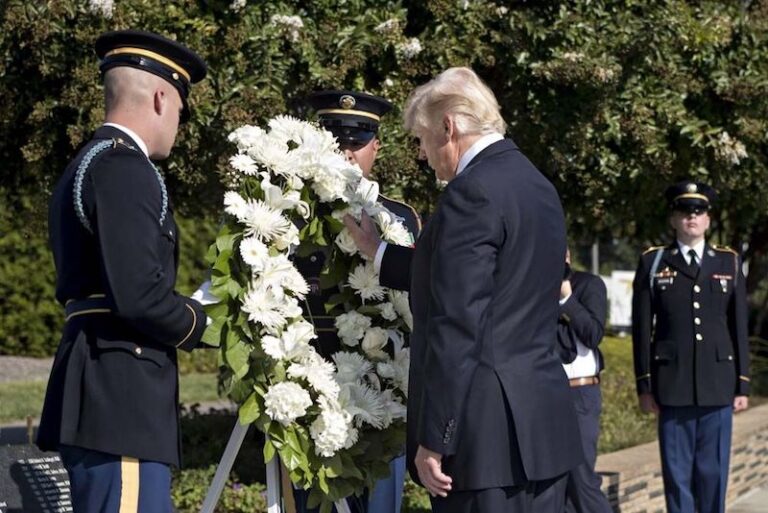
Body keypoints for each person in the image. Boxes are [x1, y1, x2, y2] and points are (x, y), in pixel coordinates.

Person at [346, 66, 584, 512]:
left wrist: (435, 439)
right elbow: (490, 278)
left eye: (421, 139)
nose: (423, 154)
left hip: (484, 440)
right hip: (543, 431)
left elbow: (458, 324)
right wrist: (378, 253)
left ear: (449, 126)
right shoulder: (538, 186)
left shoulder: (469, 193)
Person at [36, 30, 208, 512]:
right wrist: (206, 323)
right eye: (179, 108)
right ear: (159, 97)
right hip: (122, 398)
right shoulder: (124, 168)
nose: (178, 122)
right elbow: (139, 295)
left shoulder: (89, 163)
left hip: (104, 386)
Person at [293, 90, 421, 513]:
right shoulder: (297, 210)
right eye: (338, 141)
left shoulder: (401, 219)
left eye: (358, 141)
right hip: (313, 387)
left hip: (381, 391)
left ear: (376, 146)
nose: (348, 153)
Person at [632, 180, 750, 513]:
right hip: (672, 387)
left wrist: (743, 382)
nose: (692, 218)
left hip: (718, 385)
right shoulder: (654, 262)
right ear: (673, 219)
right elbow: (642, 330)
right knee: (677, 475)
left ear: (709, 219)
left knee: (713, 474)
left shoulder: (727, 262)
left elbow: (738, 326)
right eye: (684, 211)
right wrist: (644, 385)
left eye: (698, 212)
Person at [557, 250, 613, 513]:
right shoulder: (532, 286)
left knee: (581, 481)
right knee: (555, 485)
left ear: (567, 254)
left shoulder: (589, 284)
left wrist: (566, 297)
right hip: (544, 392)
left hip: (579, 391)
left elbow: (593, 334)